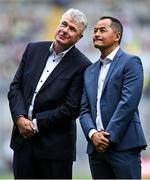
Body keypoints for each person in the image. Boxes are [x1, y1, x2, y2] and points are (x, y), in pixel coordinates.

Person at [8, 8, 91, 179]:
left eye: (72, 29)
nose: (65, 30)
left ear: (79, 38)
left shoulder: (83, 65)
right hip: (23, 143)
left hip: (55, 150)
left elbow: (71, 108)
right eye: (64, 24)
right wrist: (20, 118)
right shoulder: (32, 49)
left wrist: (35, 125)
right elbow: (15, 88)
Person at [79, 16, 147, 179]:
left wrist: (108, 137)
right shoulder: (89, 71)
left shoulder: (131, 62)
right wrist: (93, 134)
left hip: (124, 145)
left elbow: (128, 103)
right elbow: (84, 109)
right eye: (95, 31)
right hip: (96, 149)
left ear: (117, 36)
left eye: (102, 30)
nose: (96, 34)